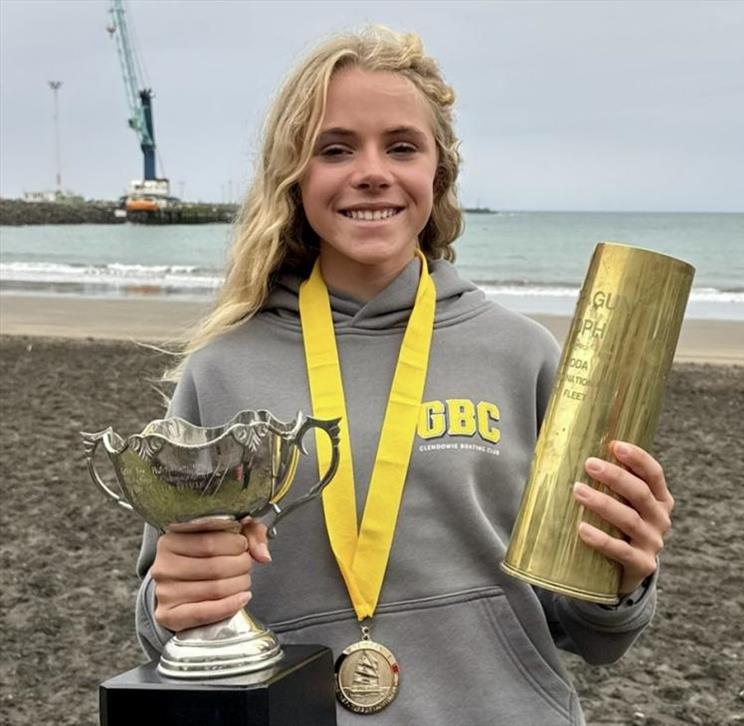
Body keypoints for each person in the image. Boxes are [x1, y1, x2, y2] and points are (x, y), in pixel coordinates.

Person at [136, 26, 673, 725]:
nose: (371, 171)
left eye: (401, 146)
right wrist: (173, 601)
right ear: (294, 177)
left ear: (437, 174)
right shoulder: (222, 371)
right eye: (335, 149)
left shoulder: (523, 355)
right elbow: (159, 631)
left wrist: (623, 578)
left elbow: (592, 635)